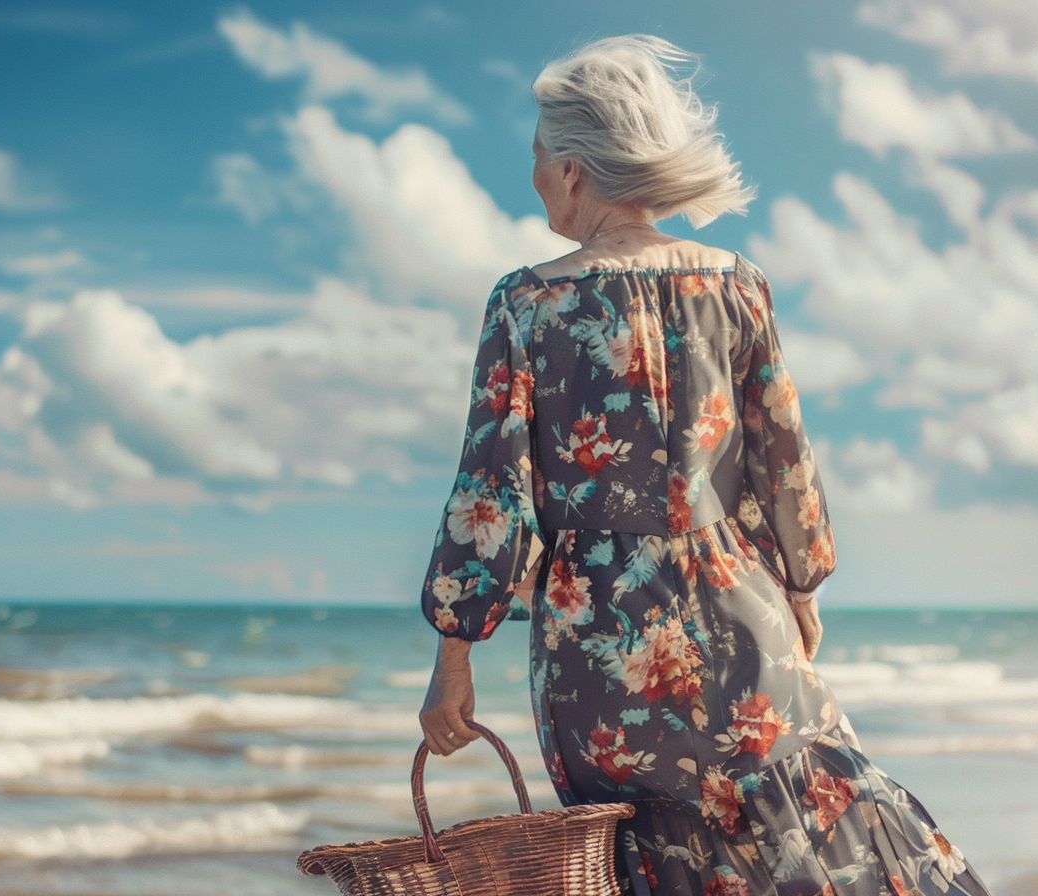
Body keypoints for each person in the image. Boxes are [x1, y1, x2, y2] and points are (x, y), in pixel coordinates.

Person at [417, 34, 992, 896]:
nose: (533, 176)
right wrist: (801, 587)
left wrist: (454, 653)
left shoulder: (527, 303)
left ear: (573, 169)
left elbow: (491, 495)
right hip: (741, 613)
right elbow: (785, 462)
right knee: (798, 823)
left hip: (598, 644)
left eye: (537, 157)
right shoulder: (735, 283)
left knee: (649, 860)